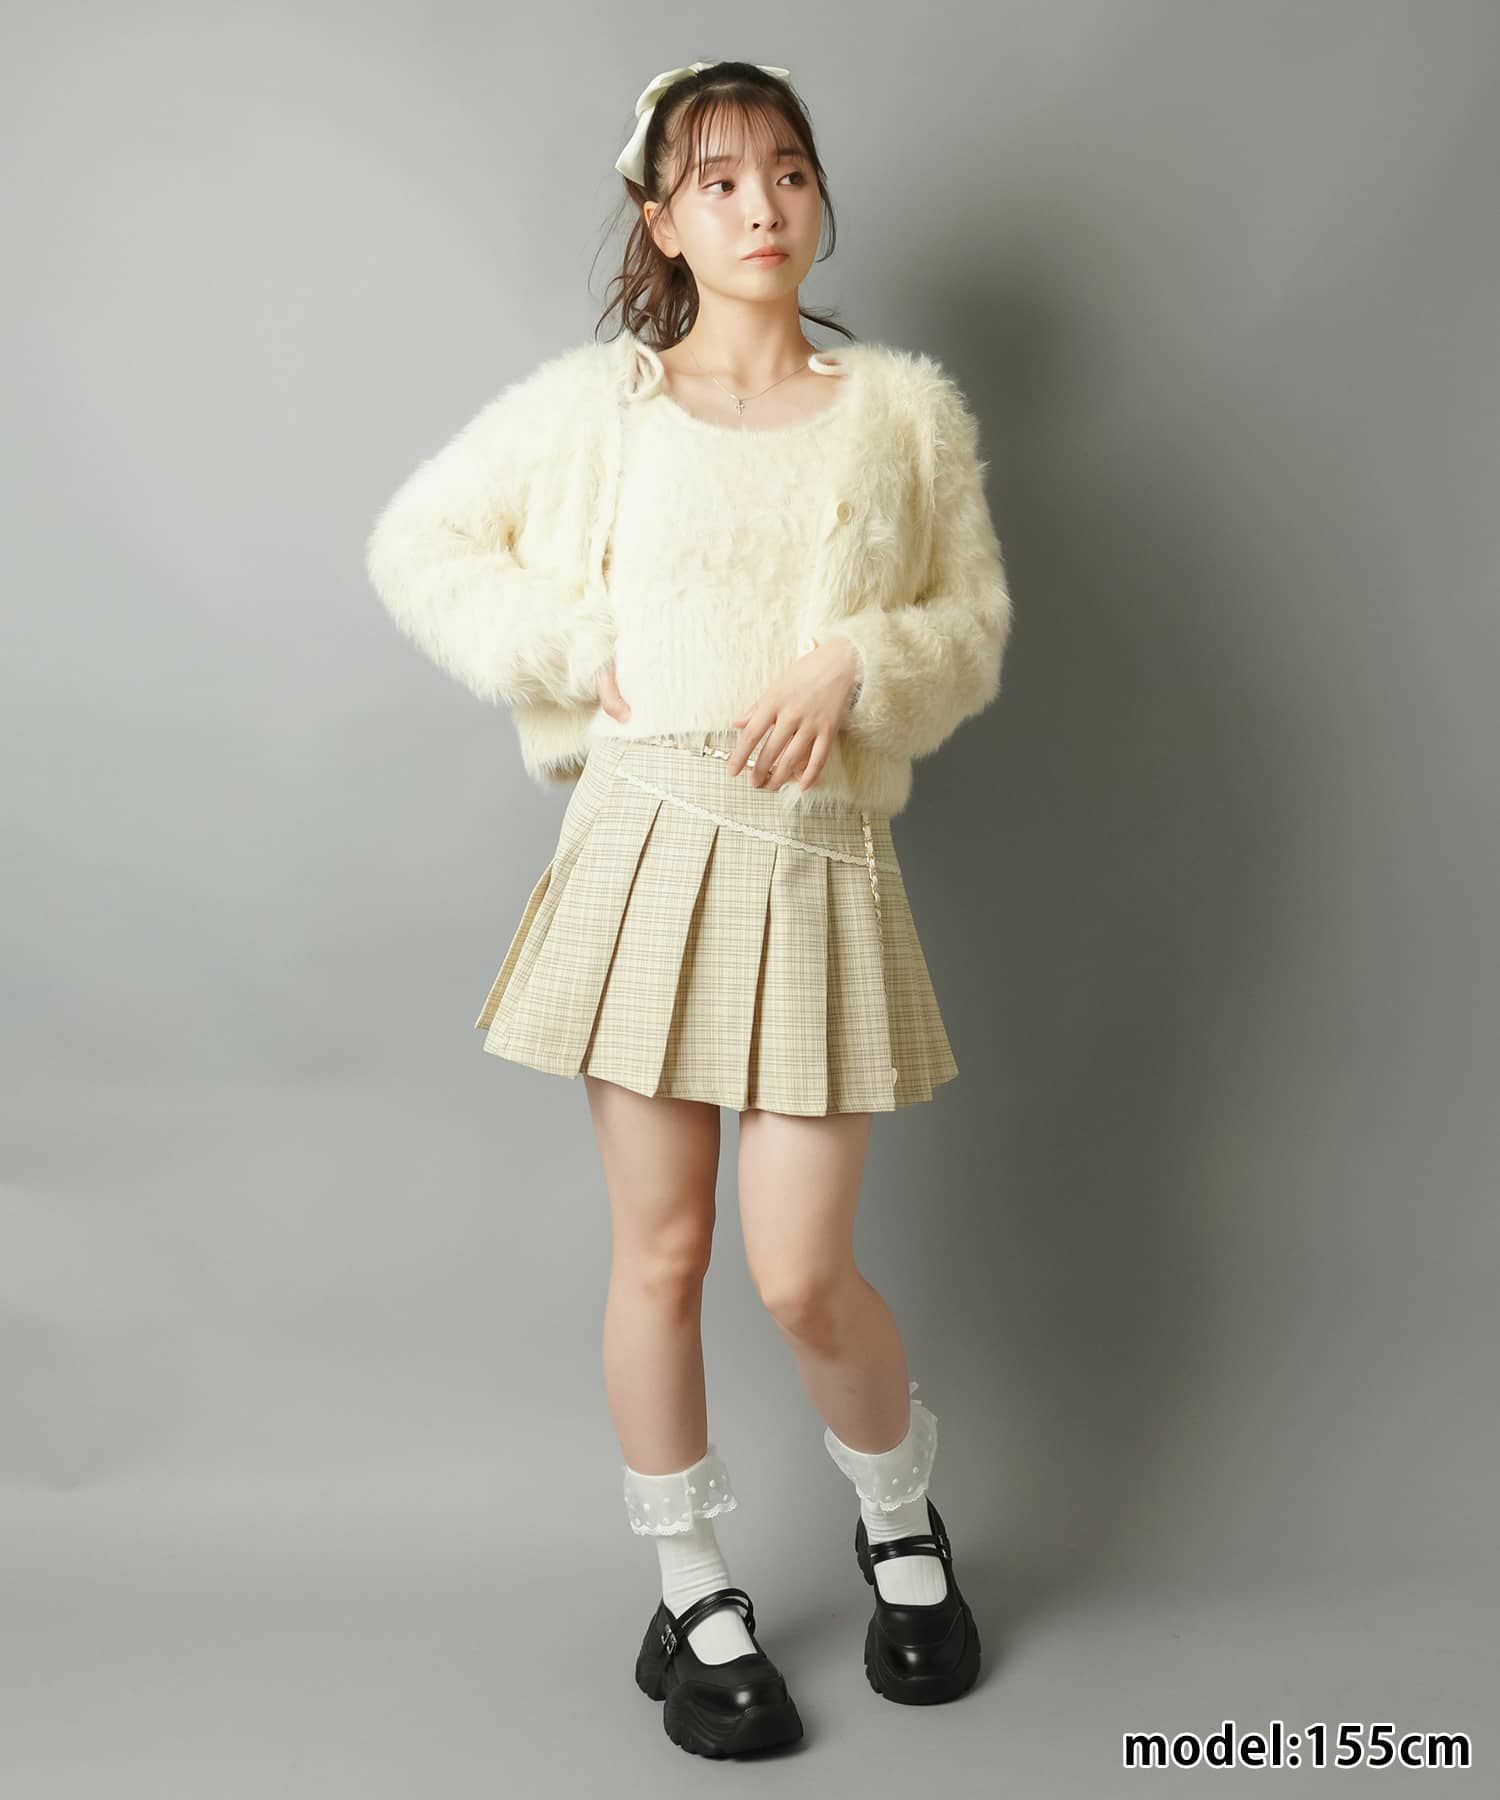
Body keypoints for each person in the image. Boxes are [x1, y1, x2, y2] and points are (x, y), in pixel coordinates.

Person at [365, 60, 1013, 1759]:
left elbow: (970, 628)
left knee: (801, 1271)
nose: (759, 204)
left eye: (786, 170)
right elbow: (425, 543)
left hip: (813, 864)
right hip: (644, 847)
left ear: (817, 198)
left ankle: (900, 1523)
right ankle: (693, 1590)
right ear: (662, 219)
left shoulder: (903, 414)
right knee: (659, 1251)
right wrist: (574, 652)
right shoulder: (602, 409)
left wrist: (859, 657)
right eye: (717, 179)